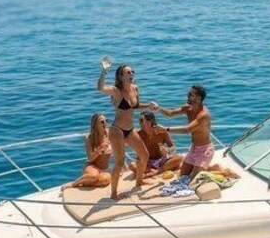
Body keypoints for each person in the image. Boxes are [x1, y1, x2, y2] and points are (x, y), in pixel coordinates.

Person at [96, 60, 157, 200]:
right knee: (119, 163)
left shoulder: (135, 88)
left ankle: (139, 181)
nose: (131, 74)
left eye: (132, 72)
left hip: (130, 130)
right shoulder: (116, 91)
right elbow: (100, 88)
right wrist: (104, 71)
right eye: (128, 72)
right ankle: (113, 193)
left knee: (144, 155)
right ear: (121, 76)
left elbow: (136, 106)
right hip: (117, 130)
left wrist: (149, 106)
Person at [156, 85, 214, 180]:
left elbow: (187, 130)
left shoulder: (204, 115)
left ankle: (217, 169)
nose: (187, 96)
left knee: (193, 180)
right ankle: (206, 168)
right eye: (188, 93)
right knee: (182, 177)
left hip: (205, 150)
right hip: (193, 148)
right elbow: (170, 113)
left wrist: (165, 129)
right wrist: (158, 108)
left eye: (191, 94)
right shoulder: (188, 108)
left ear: (199, 99)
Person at [62, 113, 112, 191]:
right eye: (102, 122)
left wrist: (122, 167)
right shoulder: (89, 138)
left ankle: (84, 184)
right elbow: (90, 158)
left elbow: (119, 151)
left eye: (106, 121)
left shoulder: (110, 134)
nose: (105, 123)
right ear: (95, 125)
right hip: (92, 166)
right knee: (94, 176)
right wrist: (100, 148)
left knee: (106, 180)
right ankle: (73, 184)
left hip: (104, 169)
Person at [129, 111, 183, 177]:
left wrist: (167, 151)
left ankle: (156, 171)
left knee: (179, 158)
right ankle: (157, 171)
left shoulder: (162, 132)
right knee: (131, 165)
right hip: (147, 163)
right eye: (140, 121)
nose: (141, 123)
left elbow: (172, 147)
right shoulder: (138, 134)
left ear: (151, 121)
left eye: (142, 120)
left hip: (162, 161)